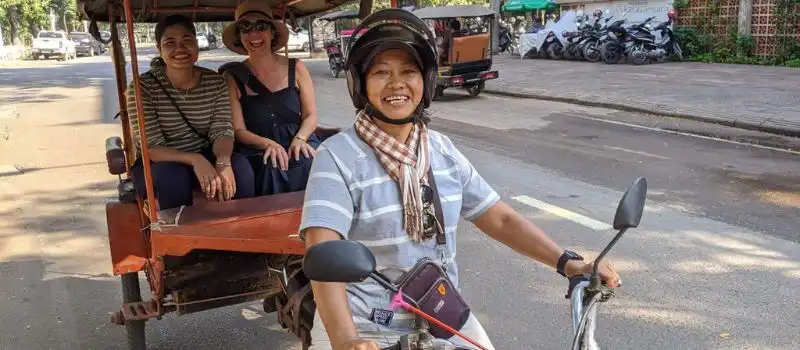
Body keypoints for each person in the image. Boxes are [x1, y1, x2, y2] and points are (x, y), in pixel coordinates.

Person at [299, 9, 620, 350]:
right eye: (381, 73)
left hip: (440, 316)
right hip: (367, 328)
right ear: (359, 84)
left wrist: (567, 262)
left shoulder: (441, 151)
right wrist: (346, 338)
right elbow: (325, 250)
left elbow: (498, 217)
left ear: (425, 81)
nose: (396, 84)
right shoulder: (337, 156)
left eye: (409, 72)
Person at [126, 14, 255, 210]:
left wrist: (223, 161)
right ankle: (177, 237)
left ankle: (241, 229)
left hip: (206, 151)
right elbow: (151, 147)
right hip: (161, 160)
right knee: (172, 178)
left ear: (196, 45)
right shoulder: (143, 87)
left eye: (187, 40)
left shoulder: (215, 82)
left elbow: (222, 130)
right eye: (170, 43)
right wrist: (195, 160)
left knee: (241, 168)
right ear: (159, 49)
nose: (180, 49)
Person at [220, 0, 320, 196]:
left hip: (299, 138)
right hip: (257, 146)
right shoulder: (232, 77)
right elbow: (238, 130)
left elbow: (311, 116)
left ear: (272, 32)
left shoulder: (296, 67)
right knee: (271, 166)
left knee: (311, 161)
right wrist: (267, 144)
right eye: (246, 28)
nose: (254, 35)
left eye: (261, 27)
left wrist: (300, 139)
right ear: (240, 36)